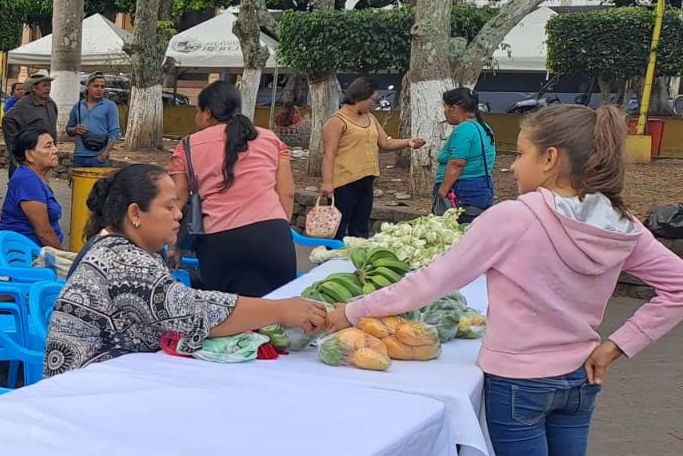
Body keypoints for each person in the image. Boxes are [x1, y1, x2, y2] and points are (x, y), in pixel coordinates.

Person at [319, 105, 683, 456]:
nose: (514, 167)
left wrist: (351, 309)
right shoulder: (621, 224)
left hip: (519, 382)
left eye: (523, 154)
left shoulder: (514, 218)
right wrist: (615, 346)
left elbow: (430, 282)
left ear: (552, 159)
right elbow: (676, 287)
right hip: (580, 379)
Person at [44, 164, 328, 377]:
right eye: (168, 207)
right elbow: (191, 310)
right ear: (135, 214)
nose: (179, 214)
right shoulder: (120, 259)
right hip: (86, 391)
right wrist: (279, 310)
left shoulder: (136, 249)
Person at [169, 80, 296, 296]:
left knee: (229, 318)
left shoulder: (187, 145)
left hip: (220, 243)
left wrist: (173, 246)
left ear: (207, 113)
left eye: (197, 111)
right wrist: (279, 230)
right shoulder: (270, 138)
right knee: (277, 315)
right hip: (273, 237)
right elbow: (287, 192)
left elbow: (176, 200)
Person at [320, 77, 425, 238]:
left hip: (366, 180)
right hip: (344, 183)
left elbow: (385, 142)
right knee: (337, 228)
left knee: (361, 227)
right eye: (372, 99)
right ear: (359, 97)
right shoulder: (337, 121)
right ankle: (331, 259)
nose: (374, 103)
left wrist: (408, 142)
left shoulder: (371, 118)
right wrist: (327, 183)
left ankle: (357, 261)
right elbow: (329, 154)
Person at [434, 85, 497, 222]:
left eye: (445, 107)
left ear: (454, 108)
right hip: (482, 188)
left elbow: (457, 163)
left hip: (463, 193)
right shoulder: (484, 127)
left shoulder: (464, 130)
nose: (444, 111)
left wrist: (442, 191)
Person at [0, 128, 65, 249]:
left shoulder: (35, 177)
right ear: (29, 155)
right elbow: (44, 232)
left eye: (54, 145)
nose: (55, 150)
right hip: (25, 254)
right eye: (48, 146)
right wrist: (65, 258)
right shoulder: (27, 180)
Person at [1, 72, 57, 176]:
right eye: (44, 85)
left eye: (49, 85)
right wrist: (17, 143)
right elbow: (7, 120)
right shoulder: (24, 104)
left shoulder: (50, 103)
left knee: (43, 184)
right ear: (34, 88)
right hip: (30, 154)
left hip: (45, 153)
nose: (48, 88)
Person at [65, 71, 121, 167]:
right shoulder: (78, 106)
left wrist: (105, 154)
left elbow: (114, 132)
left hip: (99, 157)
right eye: (96, 86)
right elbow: (68, 129)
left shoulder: (110, 106)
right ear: (88, 86)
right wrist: (75, 129)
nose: (99, 89)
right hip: (79, 156)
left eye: (102, 87)